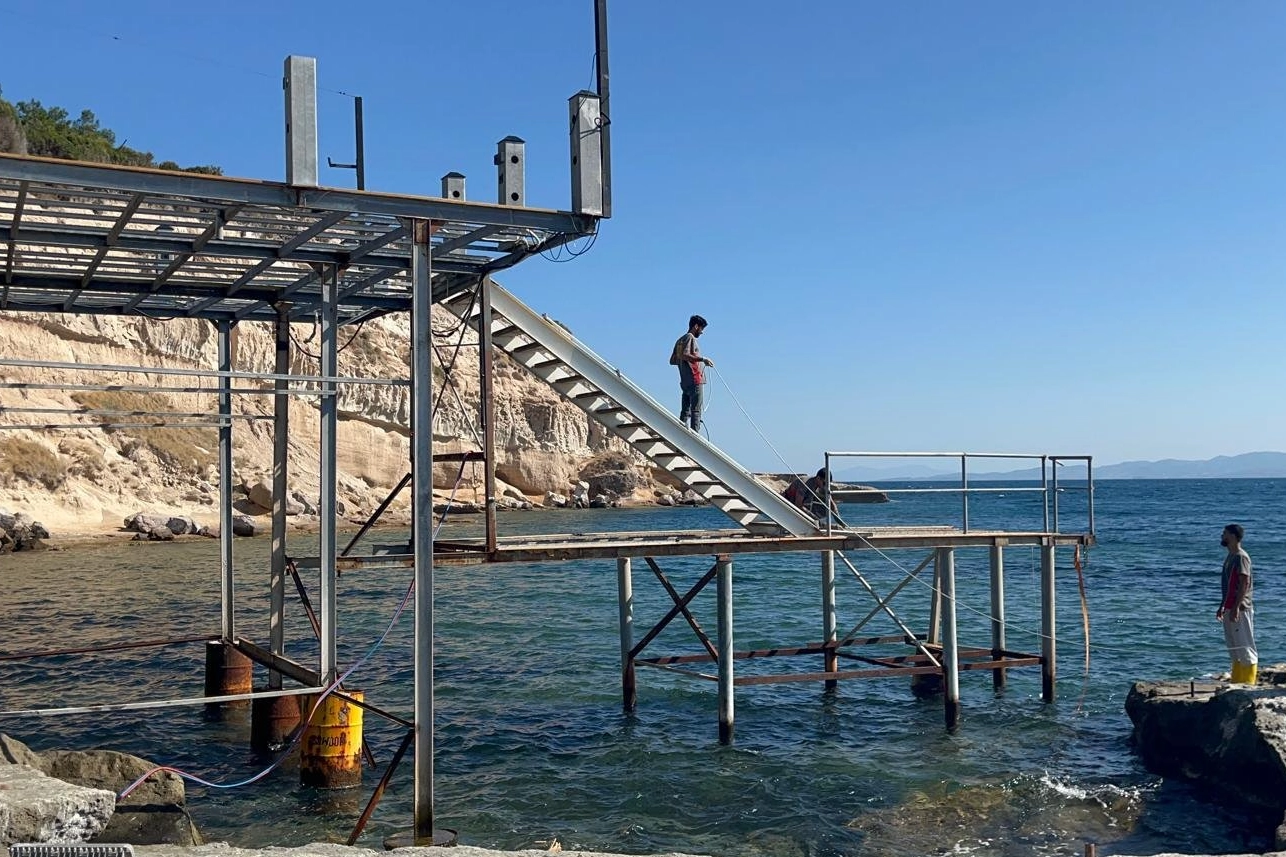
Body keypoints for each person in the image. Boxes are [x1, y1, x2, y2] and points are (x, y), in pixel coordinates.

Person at [1217, 523, 1257, 685]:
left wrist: (1235, 608)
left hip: (1240, 608)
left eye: (1224, 533)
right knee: (1233, 646)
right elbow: (1228, 584)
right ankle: (1237, 679)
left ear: (1233, 536)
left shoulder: (1241, 557)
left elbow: (1244, 583)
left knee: (1245, 644)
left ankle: (1247, 683)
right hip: (1229, 607)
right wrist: (1222, 606)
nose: (1222, 536)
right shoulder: (1231, 556)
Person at [671, 314, 714, 432]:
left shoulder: (679, 340)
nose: (702, 332)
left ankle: (679, 435)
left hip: (685, 382)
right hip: (695, 380)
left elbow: (673, 360)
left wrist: (685, 363)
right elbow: (685, 355)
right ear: (696, 326)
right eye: (702, 329)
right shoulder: (690, 338)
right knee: (696, 411)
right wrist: (702, 359)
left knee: (685, 411)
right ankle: (695, 438)